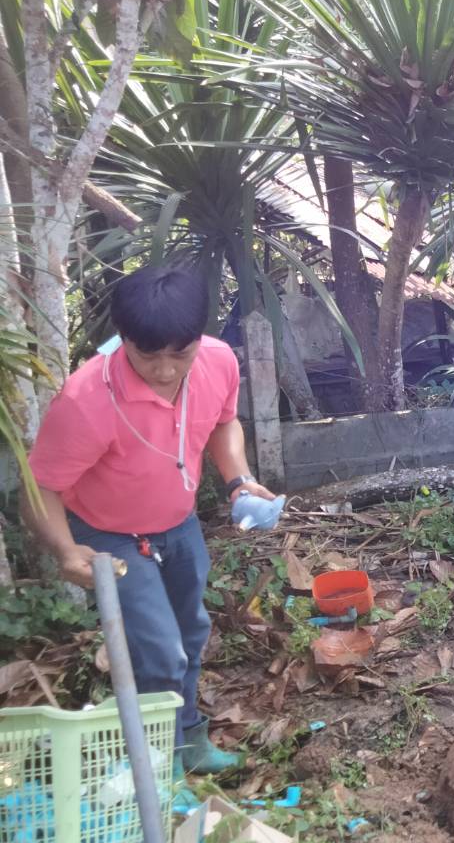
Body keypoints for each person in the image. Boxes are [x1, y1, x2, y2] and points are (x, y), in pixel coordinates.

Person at [23, 264, 278, 808]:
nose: (165, 370)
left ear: (199, 338)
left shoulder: (218, 360)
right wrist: (67, 550)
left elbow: (223, 423)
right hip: (111, 536)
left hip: (178, 523)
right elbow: (38, 488)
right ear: (124, 341)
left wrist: (237, 480)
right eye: (148, 355)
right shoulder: (85, 400)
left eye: (179, 353)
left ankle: (185, 738)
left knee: (190, 632)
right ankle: (145, 764)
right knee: (160, 652)